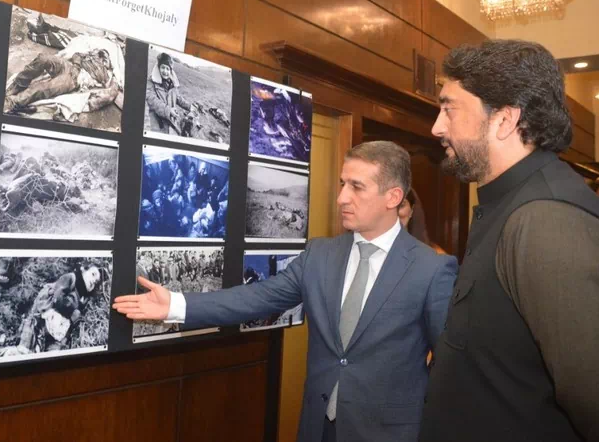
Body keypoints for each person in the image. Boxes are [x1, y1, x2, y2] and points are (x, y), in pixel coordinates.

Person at [115, 141, 458, 442]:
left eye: (357, 187)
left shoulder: (431, 269)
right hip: (318, 427)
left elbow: (450, 366)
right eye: (342, 184)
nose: (342, 197)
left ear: (393, 197)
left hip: (389, 433)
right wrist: (176, 305)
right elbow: (257, 298)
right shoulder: (320, 255)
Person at [420, 39, 599, 442]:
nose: (437, 127)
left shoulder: (547, 220)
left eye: (449, 108)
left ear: (505, 119)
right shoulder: (512, 202)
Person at [4, 37, 122, 117]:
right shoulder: (93, 55)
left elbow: (111, 91)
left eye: (106, 59)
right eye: (103, 56)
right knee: (43, 58)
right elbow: (77, 55)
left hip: (73, 80)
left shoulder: (107, 76)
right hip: (69, 66)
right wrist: (76, 65)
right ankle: (18, 84)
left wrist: (114, 84)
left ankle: (12, 103)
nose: (104, 60)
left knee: (42, 88)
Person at [397, 189, 445, 254]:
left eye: (401, 205)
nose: (393, 213)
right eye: (385, 206)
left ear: (412, 210)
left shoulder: (435, 255)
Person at [145, 52, 182, 134]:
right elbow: (152, 100)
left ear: (170, 71)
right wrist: (168, 110)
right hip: (158, 124)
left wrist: (190, 107)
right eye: (163, 67)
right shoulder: (151, 82)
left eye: (167, 69)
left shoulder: (172, 84)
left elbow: (178, 98)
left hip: (171, 120)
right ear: (158, 68)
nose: (165, 71)